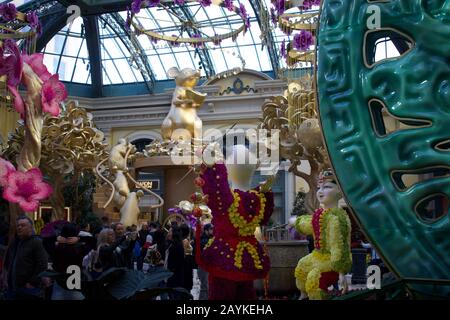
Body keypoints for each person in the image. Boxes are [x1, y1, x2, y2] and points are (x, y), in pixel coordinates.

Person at [2, 216, 48, 300]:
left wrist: (32, 282)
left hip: (28, 288)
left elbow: (42, 264)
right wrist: (5, 278)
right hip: (12, 287)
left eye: (23, 225)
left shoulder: (37, 242)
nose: (19, 227)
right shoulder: (15, 242)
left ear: (30, 227)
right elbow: (8, 262)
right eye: (18, 226)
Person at [49, 223, 87, 300]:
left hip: (60, 278)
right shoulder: (80, 247)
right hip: (74, 278)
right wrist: (78, 239)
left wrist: (57, 239)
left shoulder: (58, 246)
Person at [165, 225, 184, 299]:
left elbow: (177, 263)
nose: (168, 233)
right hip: (171, 277)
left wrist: (170, 272)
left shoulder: (177, 245)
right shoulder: (172, 244)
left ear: (174, 233)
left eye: (170, 231)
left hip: (174, 279)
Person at [197, 223, 213, 300]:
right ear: (206, 230)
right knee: (205, 287)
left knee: (207, 287)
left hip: (208, 266)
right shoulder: (203, 240)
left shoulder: (210, 238)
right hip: (203, 267)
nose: (213, 231)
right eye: (211, 229)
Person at [180, 224, 194, 293]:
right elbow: (184, 251)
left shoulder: (184, 240)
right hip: (187, 262)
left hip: (187, 262)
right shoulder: (185, 241)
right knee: (187, 279)